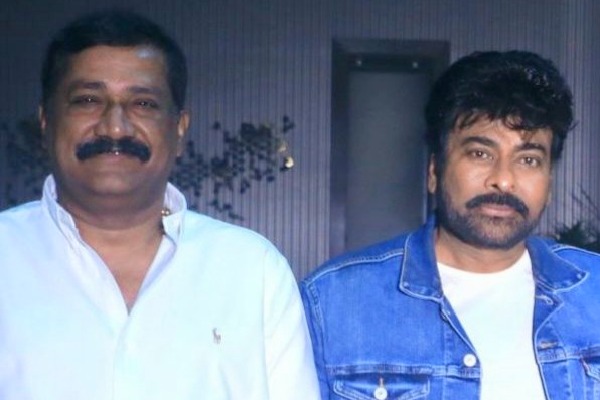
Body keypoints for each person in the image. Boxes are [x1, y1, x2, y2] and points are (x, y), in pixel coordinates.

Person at [0, 9, 319, 400]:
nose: (115, 127)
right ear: (46, 122)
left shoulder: (253, 271)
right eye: (88, 100)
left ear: (179, 129)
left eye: (143, 104)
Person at [301, 50, 600, 400]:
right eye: (480, 153)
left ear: (549, 182)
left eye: (529, 159)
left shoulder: (593, 294)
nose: (504, 180)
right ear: (434, 170)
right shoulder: (334, 302)